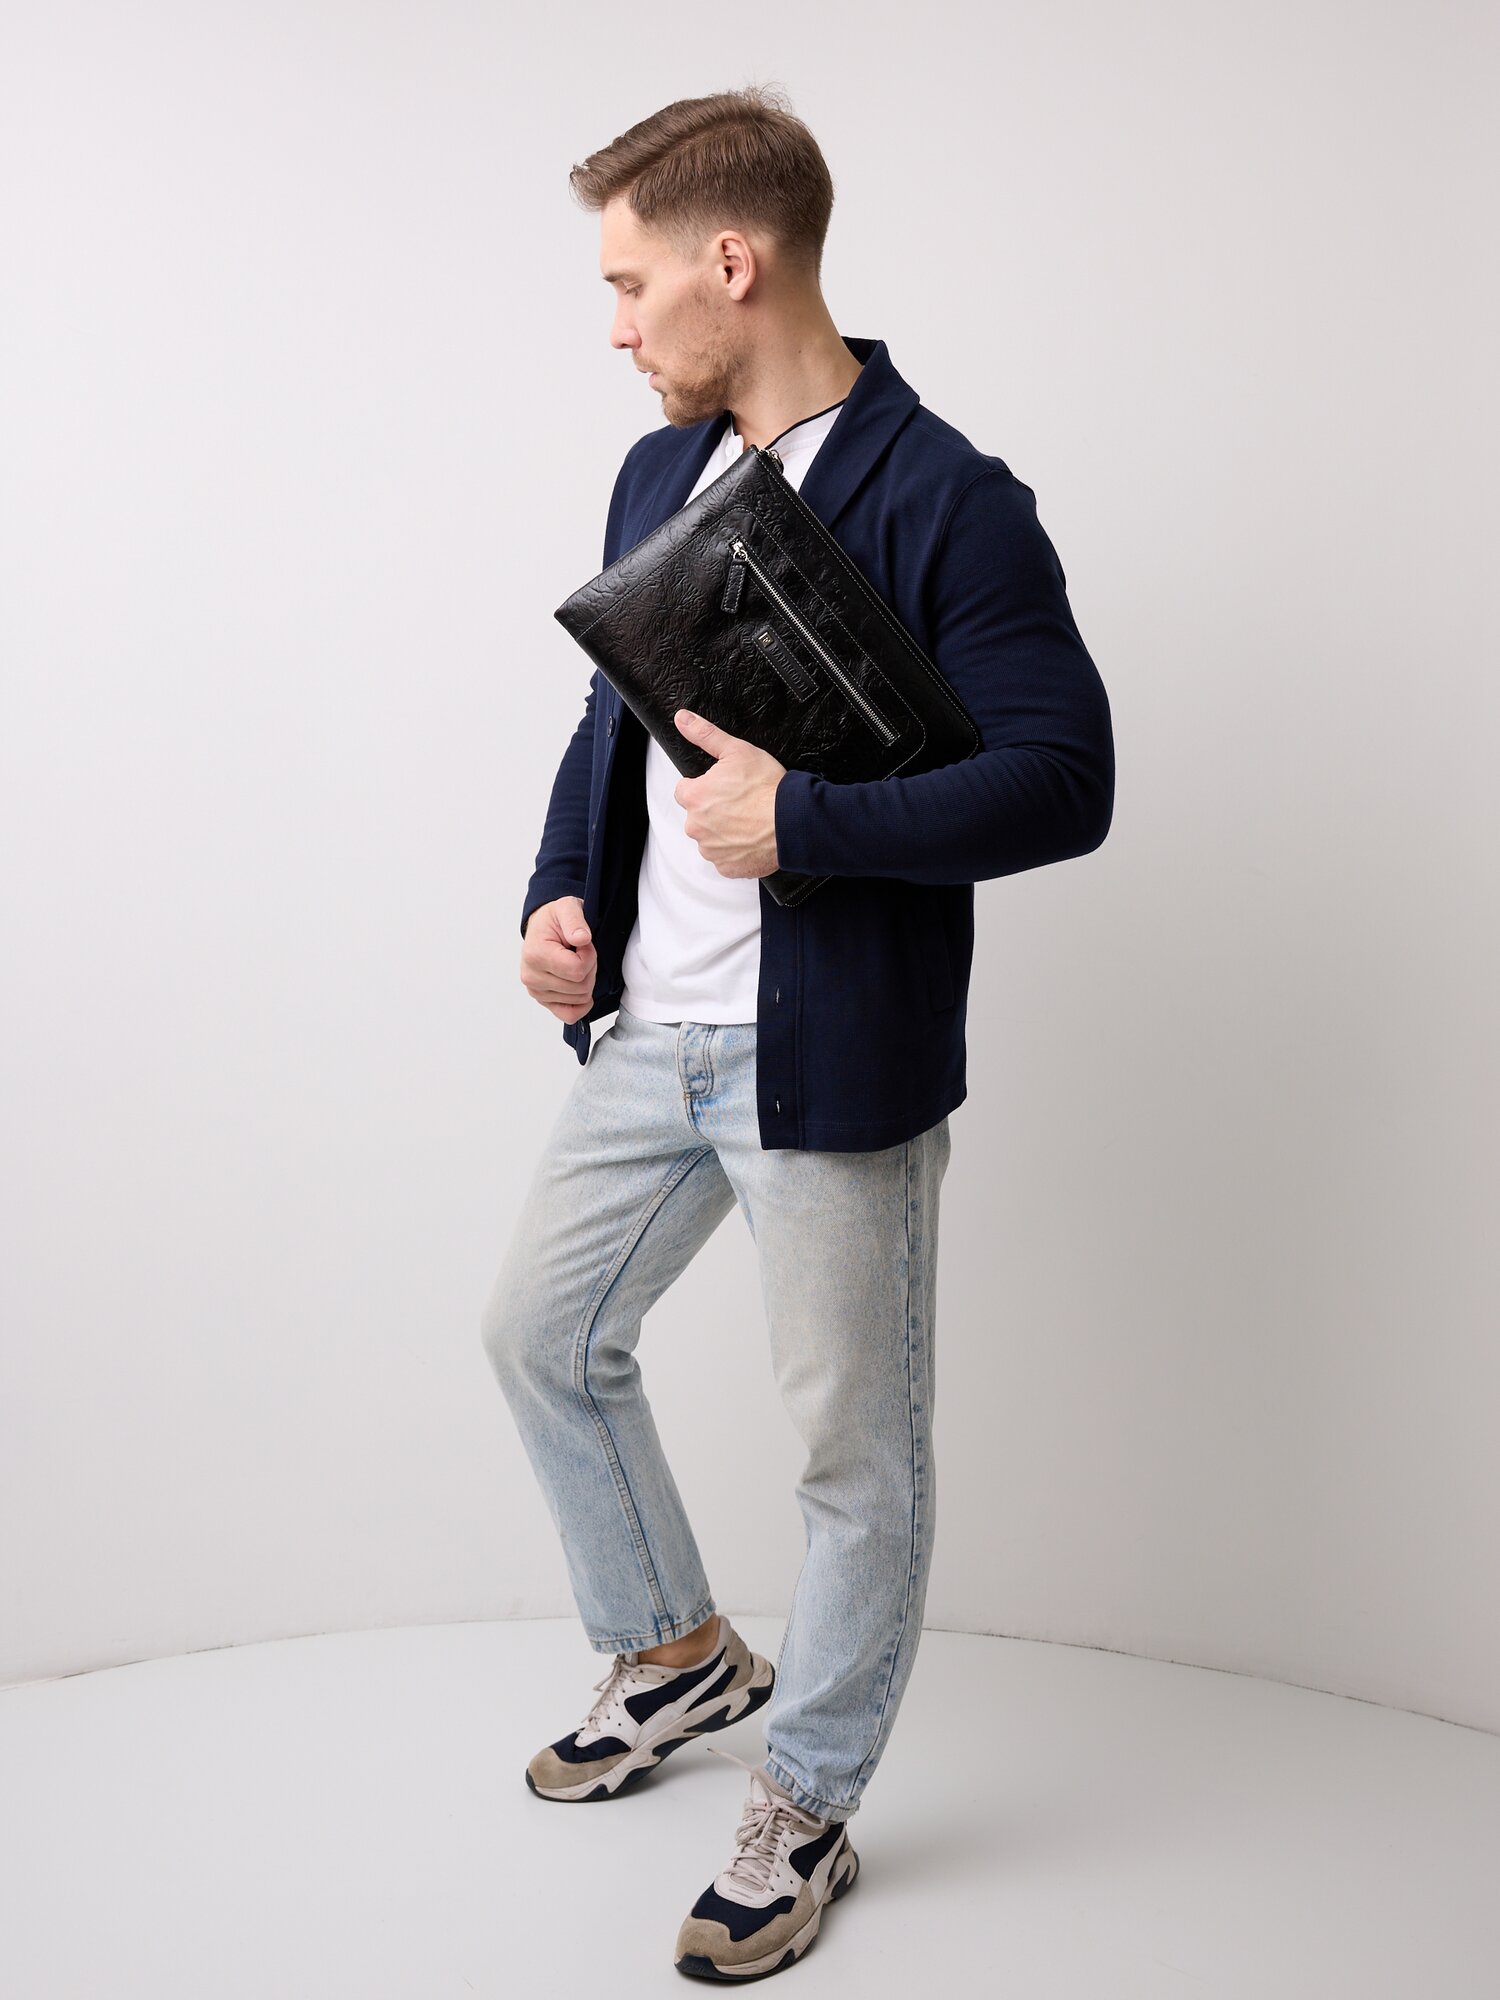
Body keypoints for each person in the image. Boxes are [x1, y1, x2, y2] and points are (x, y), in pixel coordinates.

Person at [480, 84, 1114, 1982]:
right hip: (649, 1039)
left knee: (854, 1460)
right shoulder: (653, 473)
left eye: (630, 284)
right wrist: (562, 894)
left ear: (732, 264)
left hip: (827, 1062)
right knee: (540, 1337)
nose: (615, 326)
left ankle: (807, 1800)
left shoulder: (949, 498)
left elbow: (1065, 780)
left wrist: (811, 822)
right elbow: (609, 719)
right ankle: (678, 1651)